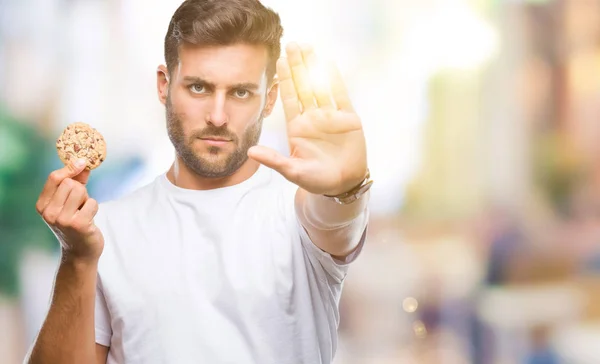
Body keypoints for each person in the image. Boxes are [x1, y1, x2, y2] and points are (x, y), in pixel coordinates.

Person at [25, 0, 371, 363]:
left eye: (240, 92)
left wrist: (345, 189)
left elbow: (336, 220)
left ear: (269, 100)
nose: (218, 116)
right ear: (164, 85)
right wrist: (77, 259)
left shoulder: (300, 215)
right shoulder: (103, 232)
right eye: (199, 88)